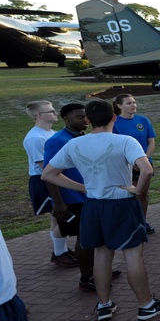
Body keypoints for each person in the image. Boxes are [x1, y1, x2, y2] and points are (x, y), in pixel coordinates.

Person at [42, 99, 160, 321]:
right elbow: (146, 169)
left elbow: (48, 174)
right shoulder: (125, 141)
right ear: (114, 117)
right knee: (134, 255)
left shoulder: (75, 144)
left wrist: (83, 187)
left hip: (94, 204)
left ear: (88, 120)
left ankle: (104, 304)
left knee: (101, 255)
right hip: (121, 204)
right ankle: (146, 305)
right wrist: (137, 191)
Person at [43, 103, 110, 293]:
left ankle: (100, 270)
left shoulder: (82, 138)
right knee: (84, 238)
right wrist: (58, 202)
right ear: (66, 118)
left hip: (90, 195)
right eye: (79, 117)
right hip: (73, 198)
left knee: (95, 235)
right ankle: (86, 277)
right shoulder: (58, 140)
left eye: (85, 117)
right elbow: (48, 173)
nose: (84, 120)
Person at [23, 100, 75, 267]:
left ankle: (61, 251)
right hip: (45, 180)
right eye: (51, 111)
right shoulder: (35, 138)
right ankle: (59, 253)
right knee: (62, 217)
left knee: (56, 219)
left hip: (56, 178)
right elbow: (44, 167)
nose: (55, 113)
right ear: (38, 116)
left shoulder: (51, 132)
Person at [112, 94, 156, 234]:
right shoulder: (114, 123)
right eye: (129, 103)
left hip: (144, 165)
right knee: (129, 195)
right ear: (119, 106)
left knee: (142, 194)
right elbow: (115, 146)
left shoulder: (143, 120)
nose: (133, 105)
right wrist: (132, 162)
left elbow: (151, 143)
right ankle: (128, 223)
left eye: (134, 102)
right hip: (126, 166)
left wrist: (143, 159)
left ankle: (142, 222)